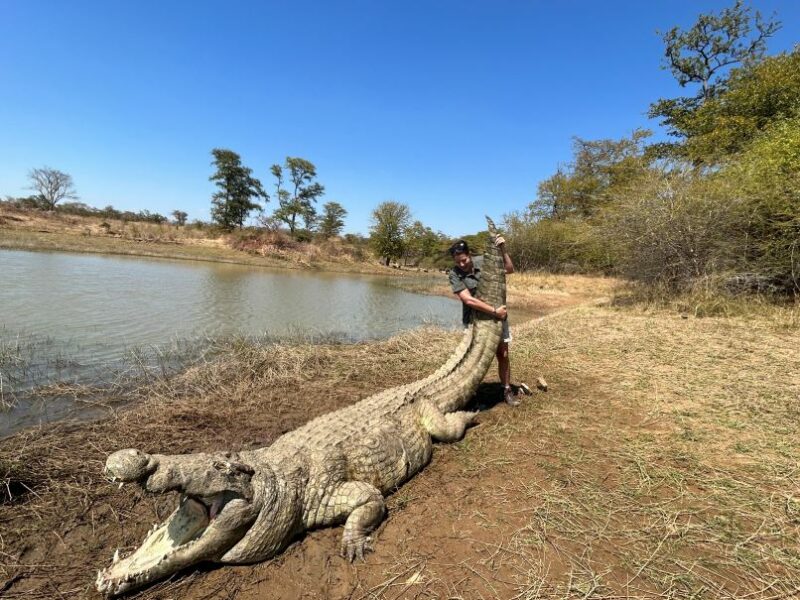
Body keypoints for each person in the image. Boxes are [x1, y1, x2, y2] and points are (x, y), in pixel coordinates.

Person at [448, 235, 519, 406]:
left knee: (503, 354)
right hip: (475, 320)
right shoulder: (454, 274)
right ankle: (469, 394)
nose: (462, 265)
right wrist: (494, 311)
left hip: (498, 317)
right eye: (458, 262)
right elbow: (469, 300)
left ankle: (507, 389)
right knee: (473, 358)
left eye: (464, 260)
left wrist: (503, 249)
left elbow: (509, 269)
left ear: (469, 254)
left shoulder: (485, 261)